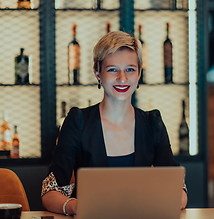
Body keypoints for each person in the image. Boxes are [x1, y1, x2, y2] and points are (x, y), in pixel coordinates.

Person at [41, 31, 188, 215]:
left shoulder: (153, 123)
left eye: (130, 69)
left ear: (139, 73)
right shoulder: (77, 122)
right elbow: (50, 191)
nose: (122, 78)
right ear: (97, 73)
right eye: (112, 69)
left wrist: (166, 200)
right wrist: (77, 206)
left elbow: (179, 191)